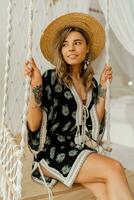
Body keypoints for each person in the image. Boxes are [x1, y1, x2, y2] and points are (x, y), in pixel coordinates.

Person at [24, 12, 134, 200]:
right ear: (60, 50)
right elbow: (34, 126)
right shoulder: (50, 79)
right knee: (115, 167)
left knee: (106, 190)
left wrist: (103, 90)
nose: (71, 49)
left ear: (87, 48)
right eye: (65, 44)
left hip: (78, 150)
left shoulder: (91, 84)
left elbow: (94, 126)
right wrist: (36, 88)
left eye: (77, 43)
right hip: (52, 154)